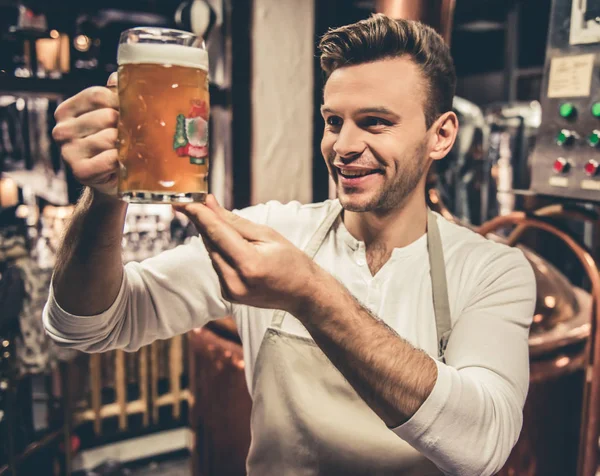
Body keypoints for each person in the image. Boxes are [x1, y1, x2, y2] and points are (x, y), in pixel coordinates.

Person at [44, 14, 535, 476]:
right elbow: (87, 325)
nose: (343, 146)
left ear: (441, 135)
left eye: (375, 122)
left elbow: (482, 447)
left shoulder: (491, 269)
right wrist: (107, 199)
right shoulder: (275, 230)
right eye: (333, 121)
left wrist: (310, 294)